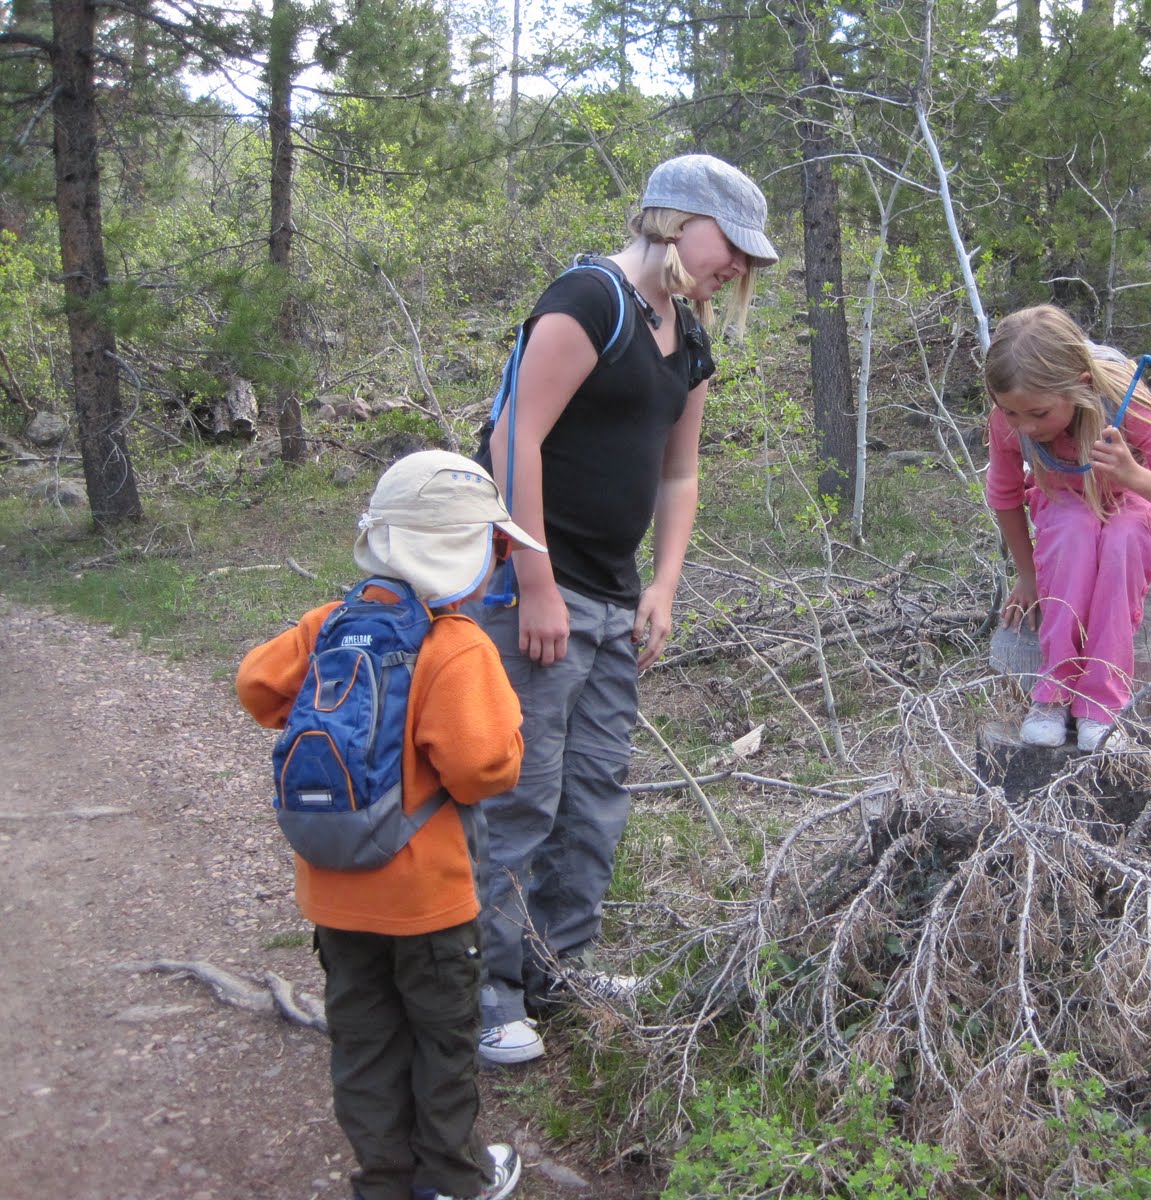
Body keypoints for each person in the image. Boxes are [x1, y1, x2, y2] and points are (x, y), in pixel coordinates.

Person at [469, 154, 778, 1061]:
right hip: (538, 589)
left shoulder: (689, 336)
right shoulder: (589, 299)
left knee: (595, 793)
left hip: (612, 595)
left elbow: (679, 471)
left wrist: (665, 585)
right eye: (732, 246)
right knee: (521, 795)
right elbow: (511, 436)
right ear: (678, 220)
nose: (740, 267)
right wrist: (533, 581)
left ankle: (557, 969)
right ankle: (489, 993)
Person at [237, 450, 545, 1200]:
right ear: (473, 555)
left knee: (365, 1044)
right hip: (430, 905)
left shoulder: (328, 624)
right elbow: (482, 769)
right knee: (440, 1044)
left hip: (335, 898)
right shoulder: (455, 645)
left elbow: (255, 684)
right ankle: (450, 1181)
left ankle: (382, 1180)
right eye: (498, 549)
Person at [985, 305, 1151, 753]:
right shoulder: (1009, 417)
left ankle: (1101, 702)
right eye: (1011, 414)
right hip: (1064, 504)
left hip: (1132, 506)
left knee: (1122, 539)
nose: (1024, 427)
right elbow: (1005, 495)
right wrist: (1028, 576)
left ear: (1082, 385)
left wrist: (1133, 476)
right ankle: (1053, 694)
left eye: (1037, 413)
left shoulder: (1123, 400)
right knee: (1073, 530)